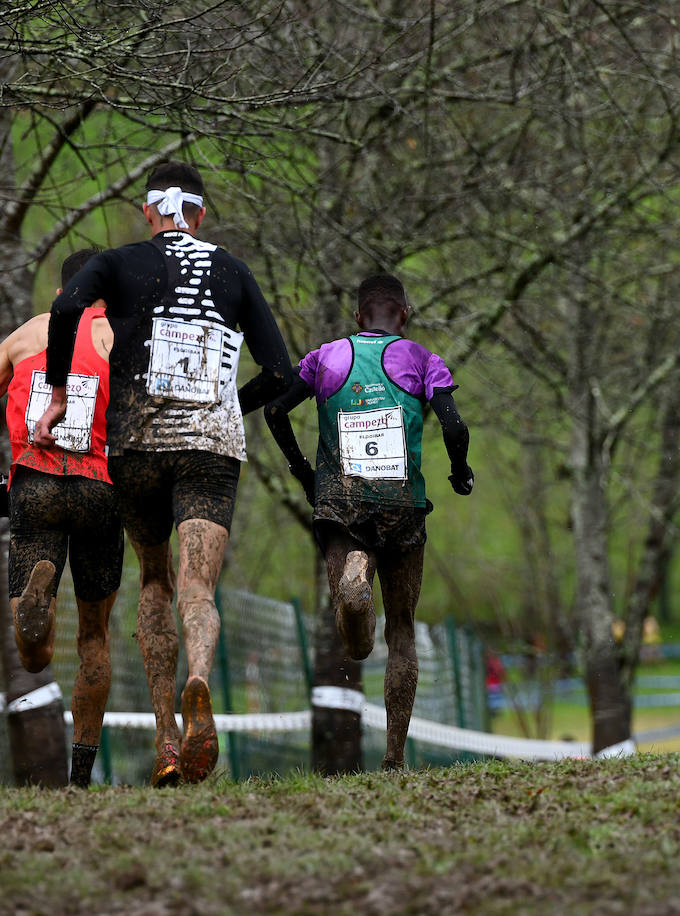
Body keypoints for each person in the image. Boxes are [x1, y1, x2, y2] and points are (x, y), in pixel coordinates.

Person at [37, 162, 295, 785]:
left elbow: (68, 303)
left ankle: (165, 739)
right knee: (196, 585)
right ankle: (199, 679)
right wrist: (232, 402)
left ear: (147, 211)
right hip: (209, 445)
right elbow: (282, 372)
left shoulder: (121, 262)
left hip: (137, 447)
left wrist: (59, 395)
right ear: (201, 215)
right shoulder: (233, 270)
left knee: (154, 579)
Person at [264, 273, 474, 771]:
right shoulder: (422, 359)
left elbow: (275, 411)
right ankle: (395, 757)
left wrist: (303, 472)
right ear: (405, 315)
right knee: (400, 630)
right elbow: (454, 425)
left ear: (357, 317)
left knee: (355, 641)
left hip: (341, 503)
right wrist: (459, 471)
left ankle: (355, 580)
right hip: (402, 505)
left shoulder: (326, 357)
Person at [0, 249, 122, 789]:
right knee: (95, 638)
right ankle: (80, 776)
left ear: (60, 294)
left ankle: (38, 614)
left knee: (33, 659)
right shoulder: (118, 335)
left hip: (34, 487)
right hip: (100, 487)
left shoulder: (27, 334)